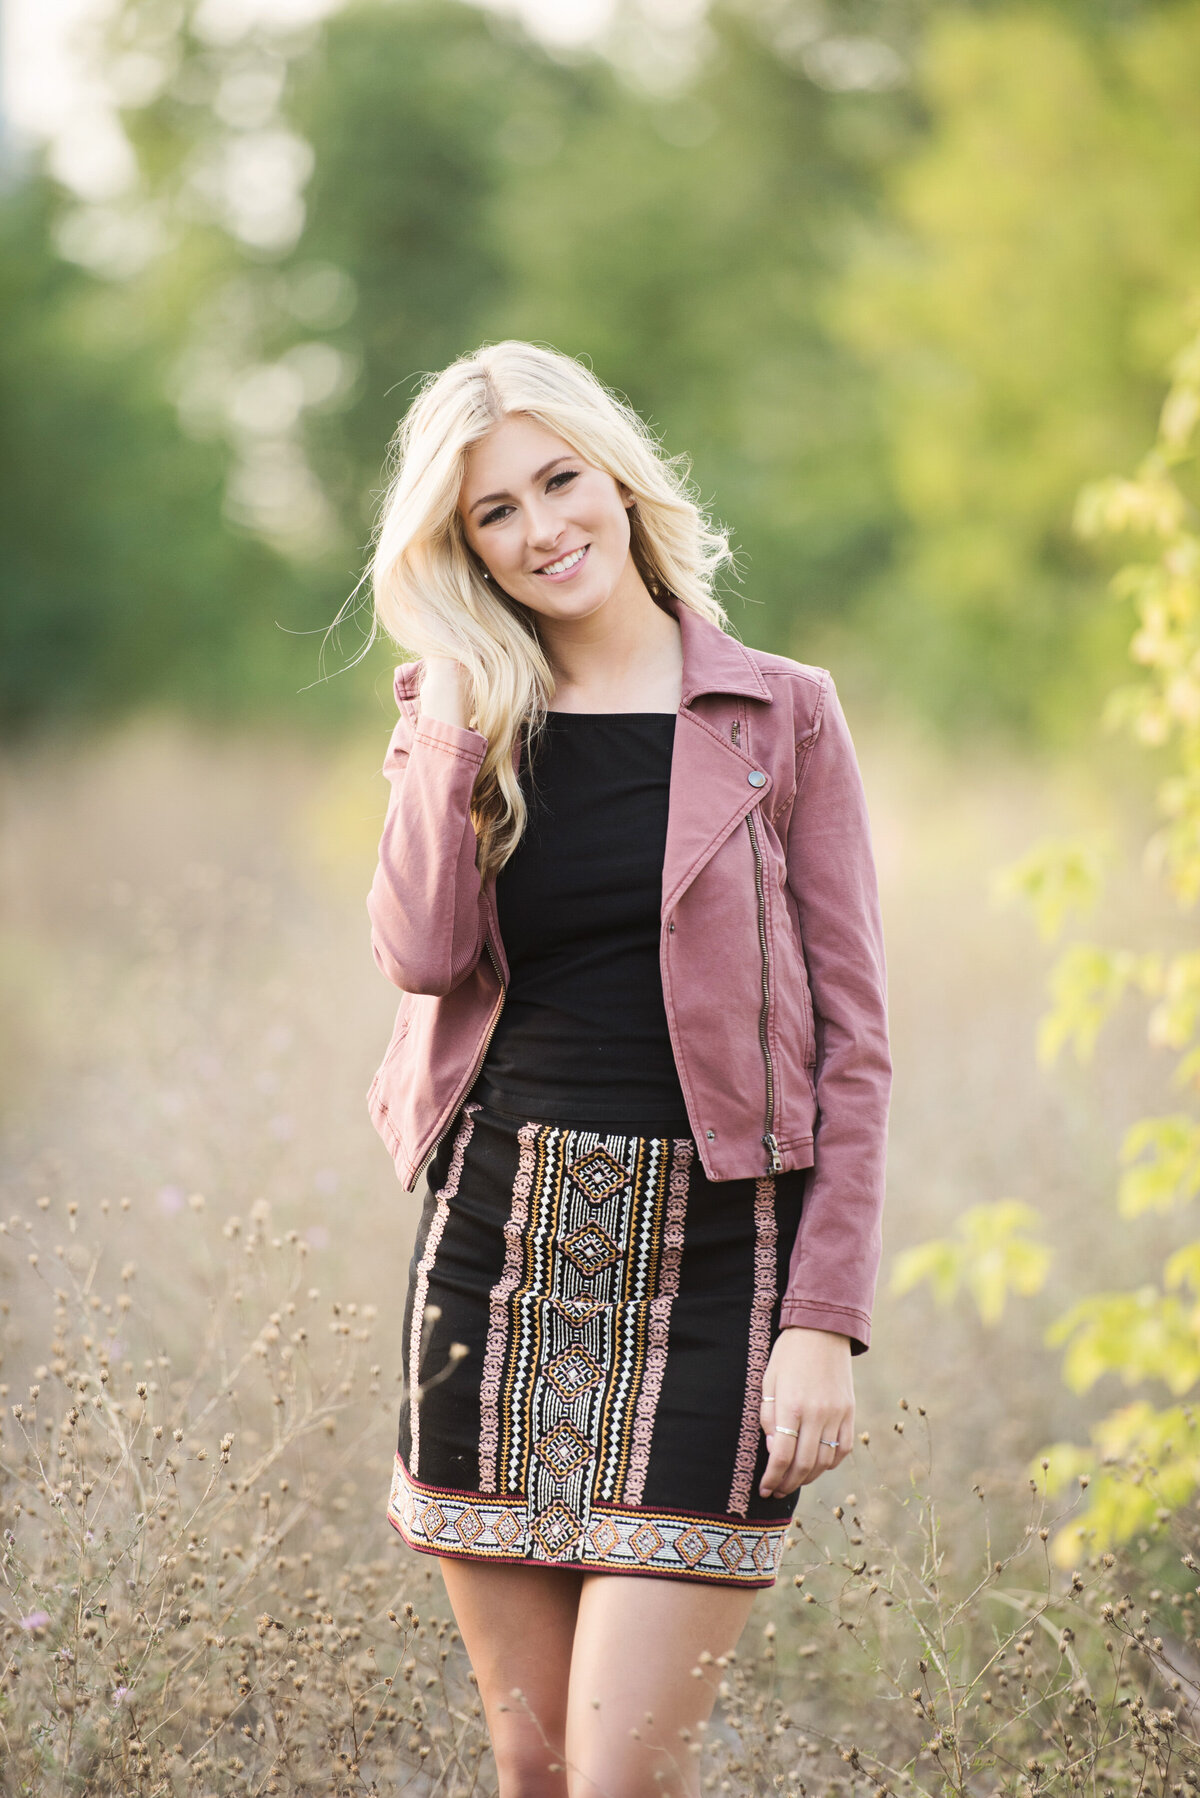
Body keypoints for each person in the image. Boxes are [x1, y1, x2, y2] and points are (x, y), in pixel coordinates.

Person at [361, 339, 891, 1798]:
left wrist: (823, 1319)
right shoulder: (463, 712)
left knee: (620, 1782)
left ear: (619, 477)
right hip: (496, 1254)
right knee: (532, 1774)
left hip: (723, 1269)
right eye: (494, 514)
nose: (543, 530)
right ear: (460, 546)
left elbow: (857, 1039)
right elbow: (419, 946)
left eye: (558, 480)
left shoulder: (782, 715)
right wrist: (454, 716)